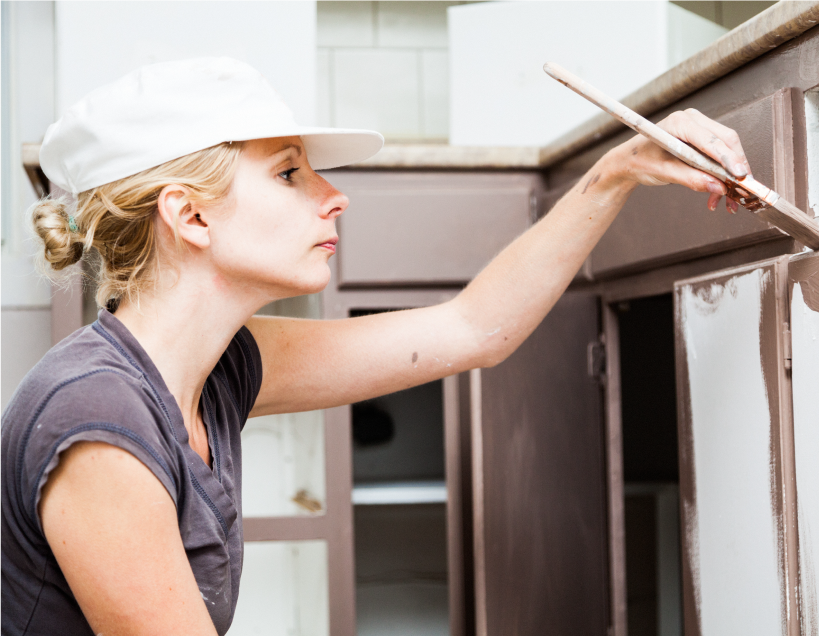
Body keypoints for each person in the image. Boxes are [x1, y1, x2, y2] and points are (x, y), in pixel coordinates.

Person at [0, 57, 749, 635]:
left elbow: (471, 331)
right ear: (190, 217)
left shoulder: (219, 367)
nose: (333, 193)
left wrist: (616, 172)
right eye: (289, 171)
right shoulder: (97, 421)